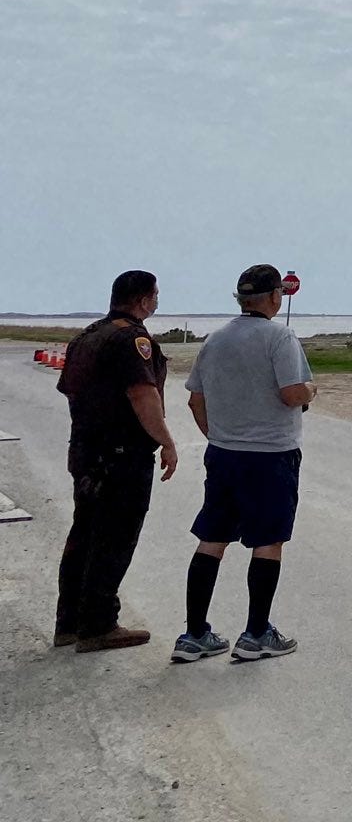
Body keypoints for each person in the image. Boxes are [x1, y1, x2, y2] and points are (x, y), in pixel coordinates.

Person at [174, 264, 316, 665]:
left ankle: (194, 633)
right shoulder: (280, 336)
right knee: (268, 541)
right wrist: (312, 389)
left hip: (224, 454)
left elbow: (195, 399)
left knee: (212, 538)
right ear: (276, 297)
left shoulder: (215, 339)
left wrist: (217, 435)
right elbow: (292, 393)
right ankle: (256, 633)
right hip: (271, 455)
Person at [53, 270, 176, 652]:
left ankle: (70, 622)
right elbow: (143, 396)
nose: (157, 302)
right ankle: (99, 624)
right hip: (121, 455)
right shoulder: (132, 339)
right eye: (155, 296)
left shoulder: (86, 337)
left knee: (84, 535)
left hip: (86, 452)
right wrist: (167, 442)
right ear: (142, 300)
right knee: (115, 539)